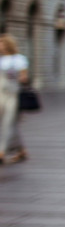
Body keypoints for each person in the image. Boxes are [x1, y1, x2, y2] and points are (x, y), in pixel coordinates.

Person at [0, 34, 29, 164]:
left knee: (8, 122)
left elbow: (24, 77)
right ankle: (21, 150)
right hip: (0, 94)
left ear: (7, 44)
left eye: (1, 42)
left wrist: (21, 78)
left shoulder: (19, 59)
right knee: (12, 124)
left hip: (13, 95)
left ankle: (2, 151)